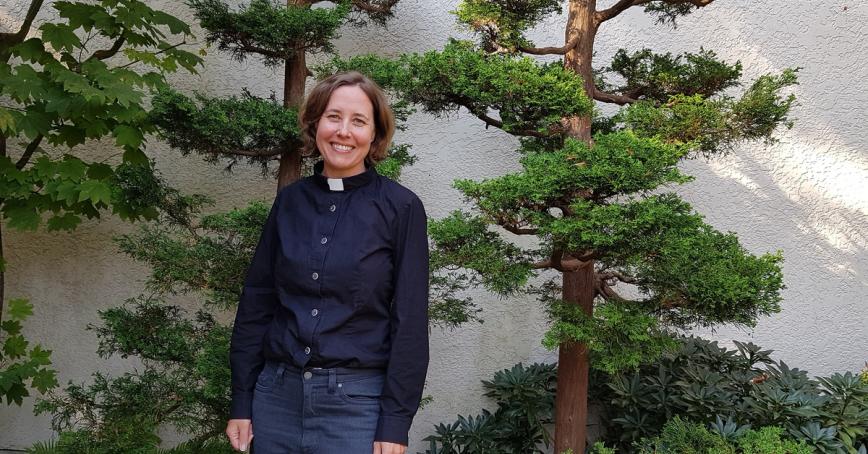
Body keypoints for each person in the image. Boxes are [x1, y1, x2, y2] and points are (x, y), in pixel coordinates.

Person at [225, 72, 430, 454]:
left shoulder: (401, 209)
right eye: (334, 117)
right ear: (316, 123)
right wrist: (242, 400)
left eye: (359, 121)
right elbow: (257, 303)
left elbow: (411, 323)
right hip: (275, 402)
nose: (343, 132)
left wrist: (395, 423)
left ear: (375, 134)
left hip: (356, 409)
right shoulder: (289, 203)